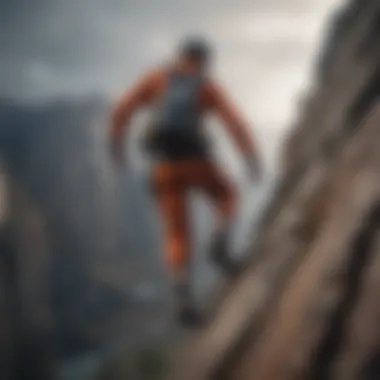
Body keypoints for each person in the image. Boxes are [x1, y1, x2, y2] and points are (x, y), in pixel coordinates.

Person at [109, 36, 262, 327]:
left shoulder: (155, 79)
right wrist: (250, 158)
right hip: (197, 161)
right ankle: (220, 238)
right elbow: (235, 123)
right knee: (228, 196)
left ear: (180, 56)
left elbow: (121, 112)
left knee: (176, 234)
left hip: (163, 167)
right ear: (203, 60)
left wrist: (116, 150)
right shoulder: (206, 87)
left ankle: (183, 298)